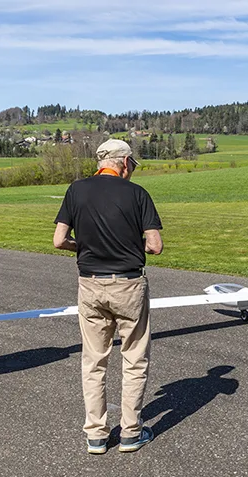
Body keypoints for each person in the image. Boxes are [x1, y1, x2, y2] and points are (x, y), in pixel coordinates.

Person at [53, 138, 163, 455]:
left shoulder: (76, 190)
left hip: (89, 285)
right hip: (128, 285)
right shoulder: (138, 194)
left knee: (94, 362)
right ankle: (130, 432)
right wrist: (130, 246)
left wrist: (85, 247)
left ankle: (97, 435)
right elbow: (154, 246)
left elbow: (60, 240)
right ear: (124, 163)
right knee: (134, 359)